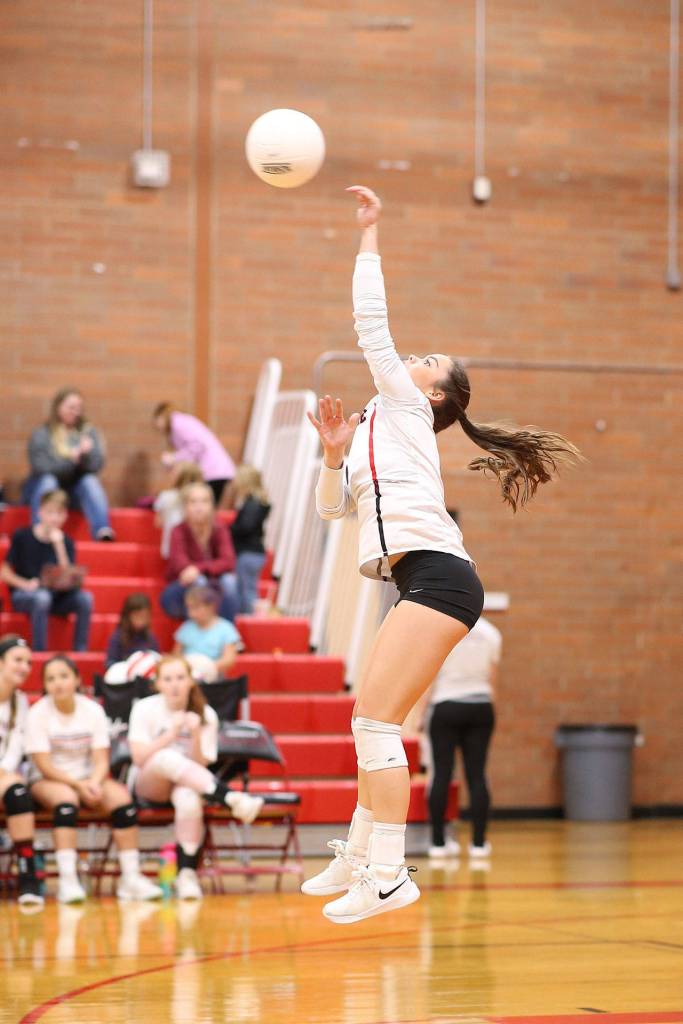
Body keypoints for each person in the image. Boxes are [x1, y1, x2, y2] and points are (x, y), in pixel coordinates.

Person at [301, 185, 580, 924]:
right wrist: (332, 457)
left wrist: (369, 233)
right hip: (419, 582)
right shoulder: (370, 428)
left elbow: (369, 325)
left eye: (426, 361)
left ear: (432, 396)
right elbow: (334, 511)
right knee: (373, 718)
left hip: (440, 581)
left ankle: (388, 873)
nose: (412, 358)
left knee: (374, 725)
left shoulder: (400, 410)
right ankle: (364, 857)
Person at [25, 655, 163, 903]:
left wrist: (94, 781)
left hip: (89, 778)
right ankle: (68, 881)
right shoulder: (37, 713)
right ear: (44, 685)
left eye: (64, 676)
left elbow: (101, 758)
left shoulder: (93, 710)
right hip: (50, 780)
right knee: (66, 801)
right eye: (51, 679)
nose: (58, 683)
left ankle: (130, 879)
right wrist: (79, 785)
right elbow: (44, 765)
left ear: (77, 679)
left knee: (122, 802)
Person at [128, 654, 264, 900]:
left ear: (191, 681)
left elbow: (200, 764)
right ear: (158, 684)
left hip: (187, 782)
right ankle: (231, 797)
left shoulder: (205, 714)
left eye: (181, 678)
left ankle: (187, 874)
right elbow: (139, 758)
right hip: (149, 783)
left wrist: (195, 735)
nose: (175, 684)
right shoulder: (144, 707)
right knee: (165, 758)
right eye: (168, 679)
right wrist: (170, 735)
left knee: (189, 798)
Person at [427, 615, 501, 860]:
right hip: (481, 705)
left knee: (442, 774)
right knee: (477, 774)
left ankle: (438, 843)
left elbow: (430, 674)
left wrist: (423, 711)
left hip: (446, 703)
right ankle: (479, 844)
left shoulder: (442, 630)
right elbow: (493, 678)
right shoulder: (491, 633)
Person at [1, 489, 93, 652]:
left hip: (56, 597)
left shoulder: (66, 542)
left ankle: (80, 651)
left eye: (59, 513)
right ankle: (40, 652)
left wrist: (59, 546)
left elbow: (69, 578)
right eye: (50, 512)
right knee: (42, 598)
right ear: (40, 512)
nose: (54, 518)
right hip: (27, 594)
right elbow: (4, 572)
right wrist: (26, 584)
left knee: (85, 599)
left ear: (65, 516)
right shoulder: (22, 535)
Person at [24, 388, 114, 541]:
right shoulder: (42, 434)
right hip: (45, 488)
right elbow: (41, 467)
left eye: (79, 408)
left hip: (74, 492)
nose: (76, 412)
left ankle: (102, 530)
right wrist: (72, 459)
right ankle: (40, 530)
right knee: (48, 480)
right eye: (71, 407)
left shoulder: (88, 433)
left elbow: (96, 466)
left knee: (90, 481)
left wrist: (85, 456)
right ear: (58, 407)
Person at [0, 635, 44, 907]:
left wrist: (3, 772)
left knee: (18, 791)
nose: (24, 667)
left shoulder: (20, 701)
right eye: (18, 660)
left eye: (28, 662)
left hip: (3, 777)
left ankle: (27, 876)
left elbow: (15, 748)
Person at [161, 482, 238, 622]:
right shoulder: (178, 530)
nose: (199, 507)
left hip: (213, 587)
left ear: (212, 505)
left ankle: (227, 635)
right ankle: (199, 634)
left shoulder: (219, 529)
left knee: (230, 582)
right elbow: (181, 565)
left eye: (204, 501)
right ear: (185, 507)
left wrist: (198, 568)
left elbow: (228, 561)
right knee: (199, 581)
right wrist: (202, 571)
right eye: (193, 502)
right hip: (181, 589)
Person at [152, 402, 236, 507]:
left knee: (203, 507)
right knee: (206, 506)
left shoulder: (177, 423)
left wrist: (174, 458)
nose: (157, 426)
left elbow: (197, 445)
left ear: (162, 416)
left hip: (212, 471)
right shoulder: (180, 423)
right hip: (215, 471)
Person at [226, 466, 271, 614]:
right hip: (253, 552)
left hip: (248, 553)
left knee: (247, 591)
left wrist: (229, 528)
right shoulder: (259, 501)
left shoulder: (252, 503)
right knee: (246, 589)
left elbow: (246, 526)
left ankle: (251, 621)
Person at [173, 585, 240, 683]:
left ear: (210, 606)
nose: (191, 613)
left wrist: (206, 668)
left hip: (213, 679)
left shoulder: (226, 629)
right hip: (186, 678)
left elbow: (229, 659)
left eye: (196, 608)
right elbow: (176, 654)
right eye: (189, 608)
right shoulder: (186, 627)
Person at [154, 462, 204, 559]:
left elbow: (158, 522)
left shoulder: (166, 496)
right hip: (197, 550)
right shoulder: (203, 497)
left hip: (170, 549)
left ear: (177, 477)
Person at [105, 594, 160, 671]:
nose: (141, 620)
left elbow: (156, 659)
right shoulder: (118, 637)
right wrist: (128, 667)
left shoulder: (150, 637)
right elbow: (109, 663)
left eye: (145, 616)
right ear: (127, 616)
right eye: (137, 615)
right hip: (124, 679)